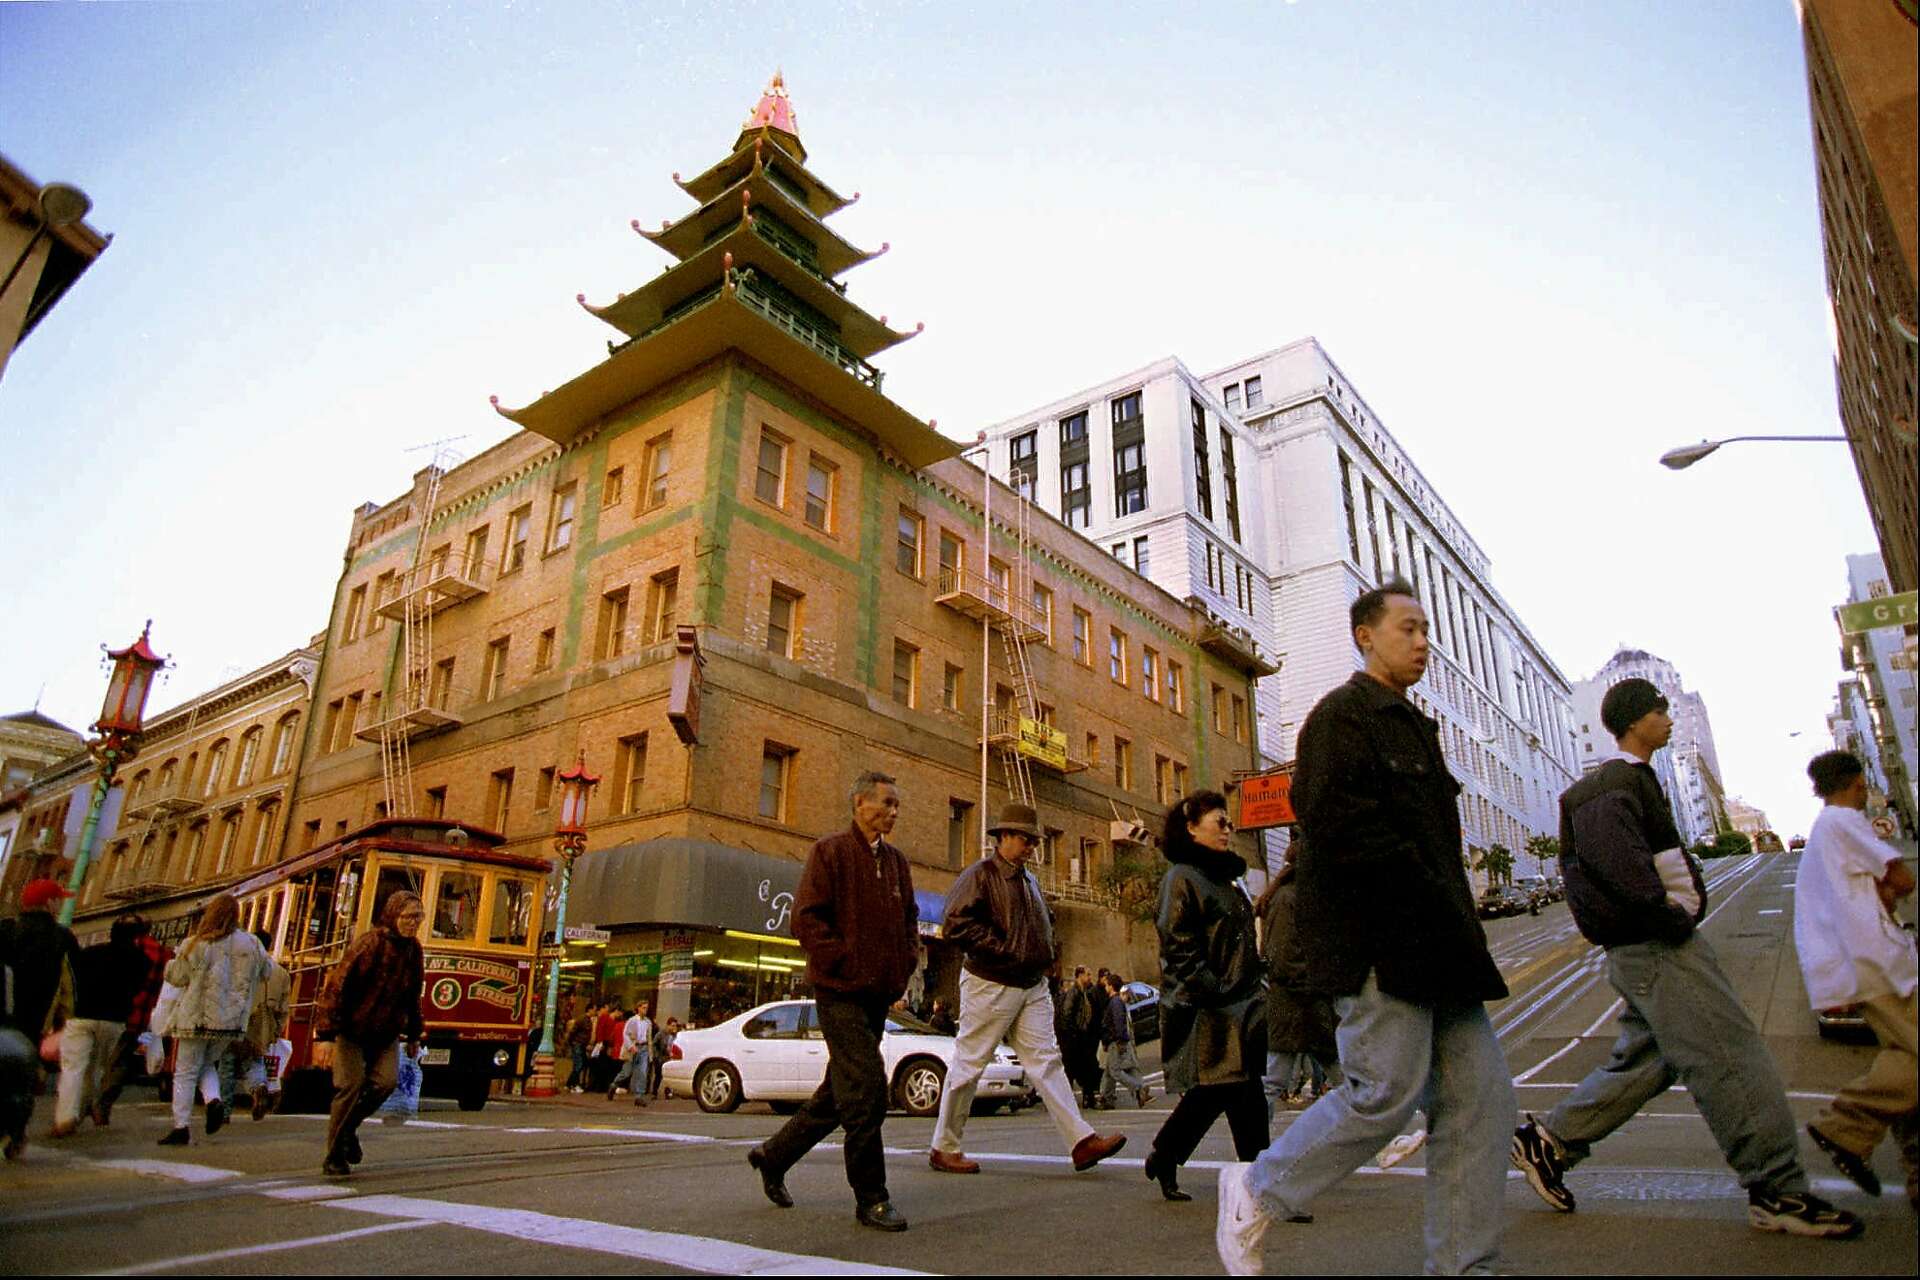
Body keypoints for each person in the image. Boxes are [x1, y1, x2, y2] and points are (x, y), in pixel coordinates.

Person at [1216, 582, 1514, 1276]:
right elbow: (1337, 829)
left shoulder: (1416, 726)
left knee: (1480, 1107)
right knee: (1383, 1093)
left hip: (1441, 951)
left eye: (1425, 629)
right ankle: (1258, 1185)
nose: (1422, 642)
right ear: (1364, 635)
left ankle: (1465, 1267)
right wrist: (1417, 893)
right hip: (1382, 944)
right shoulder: (1340, 718)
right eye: (1407, 628)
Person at [1509, 678, 1863, 1239]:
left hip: (1652, 944)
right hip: (1657, 947)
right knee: (1731, 1055)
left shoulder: (1631, 781)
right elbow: (1621, 871)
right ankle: (1778, 1190)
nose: (1668, 717)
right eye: (1658, 709)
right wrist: (1670, 918)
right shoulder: (1607, 787)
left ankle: (1549, 1141)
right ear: (1632, 721)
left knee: (1652, 1058)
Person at [748, 770, 920, 1233]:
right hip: (839, 991)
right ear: (859, 803)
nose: (893, 811)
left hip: (877, 995)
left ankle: (773, 1156)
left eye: (897, 805)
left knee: (836, 1095)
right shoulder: (830, 852)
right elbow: (804, 919)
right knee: (866, 1088)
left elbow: (909, 920)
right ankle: (872, 1198)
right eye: (886, 802)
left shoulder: (898, 862)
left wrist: (904, 964)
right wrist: (842, 959)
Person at [930, 801, 1126, 1178]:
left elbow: (1041, 924)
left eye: (1032, 840)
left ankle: (1081, 1141)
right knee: (969, 1064)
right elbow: (955, 924)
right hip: (991, 982)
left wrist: (1047, 956)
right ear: (1003, 837)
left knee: (1048, 1062)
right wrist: (1005, 949)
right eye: (1024, 839)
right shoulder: (981, 875)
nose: (1031, 846)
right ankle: (944, 1146)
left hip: (1030, 984)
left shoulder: (1029, 880)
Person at [1793, 750, 1917, 1208]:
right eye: (1863, 783)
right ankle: (1843, 1124)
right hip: (1875, 960)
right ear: (1857, 783)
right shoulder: (1843, 822)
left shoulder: (1825, 829)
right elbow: (1901, 877)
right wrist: (1886, 892)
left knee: (1907, 1058)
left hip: (1864, 960)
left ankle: (1892, 1154)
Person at [1145, 792, 1266, 1204]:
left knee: (1230, 1092)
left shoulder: (1225, 881)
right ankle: (1261, 1182)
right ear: (1191, 827)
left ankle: (1167, 1155)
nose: (1228, 829)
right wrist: (1213, 989)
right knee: (1234, 1091)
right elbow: (1176, 942)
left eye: (1229, 822)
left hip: (1241, 1004)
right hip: (1210, 1008)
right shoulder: (1182, 877)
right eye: (1220, 821)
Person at [313, 889, 425, 1176]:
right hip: (353, 1029)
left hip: (386, 1032)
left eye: (418, 917)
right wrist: (325, 1036)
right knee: (350, 1086)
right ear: (393, 915)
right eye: (409, 916)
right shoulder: (370, 944)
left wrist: (414, 1035)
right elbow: (337, 987)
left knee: (385, 1083)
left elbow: (413, 995)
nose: (414, 923)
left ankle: (348, 1129)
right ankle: (334, 1155)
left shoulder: (414, 951)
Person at [158, 894, 268, 1147]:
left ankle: (182, 1126)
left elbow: (177, 977)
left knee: (185, 1072)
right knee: (208, 1063)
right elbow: (266, 971)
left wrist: (173, 962)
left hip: (195, 1017)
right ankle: (212, 1100)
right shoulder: (251, 943)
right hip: (229, 1022)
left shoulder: (196, 943)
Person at [1254, 845, 1340, 1118]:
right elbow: (1283, 958)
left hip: (1306, 1005)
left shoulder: (1297, 897)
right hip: (1297, 1005)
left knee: (1347, 1081)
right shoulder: (1287, 898)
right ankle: (1252, 1149)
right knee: (1273, 1081)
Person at [1, 879, 81, 1156]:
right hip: (33, 1027)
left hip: (3, 1017)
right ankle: (14, 1135)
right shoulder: (62, 938)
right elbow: (71, 987)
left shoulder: (4, 929)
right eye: (59, 900)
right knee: (20, 1085)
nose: (61, 905)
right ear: (50, 903)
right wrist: (64, 1025)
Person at [51, 917, 149, 1138]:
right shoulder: (141, 961)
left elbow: (72, 980)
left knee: (73, 1067)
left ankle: (66, 1116)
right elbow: (137, 989)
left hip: (82, 1015)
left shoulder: (89, 953)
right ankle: (84, 1107)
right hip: (113, 1020)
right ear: (137, 936)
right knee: (96, 1069)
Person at [93, 916, 170, 1126]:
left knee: (95, 1059)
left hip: (106, 1013)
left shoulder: (111, 950)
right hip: (138, 1017)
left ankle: (84, 1102)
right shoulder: (162, 954)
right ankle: (103, 1105)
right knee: (119, 1063)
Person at [240, 930, 291, 1121]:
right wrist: (276, 1030)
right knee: (256, 1059)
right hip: (264, 1024)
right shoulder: (281, 973)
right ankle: (259, 1087)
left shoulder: (241, 966)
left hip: (239, 1020)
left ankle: (222, 1107)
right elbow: (283, 1008)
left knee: (228, 1064)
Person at [1096, 972, 1152, 1111]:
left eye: (1107, 985)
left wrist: (1119, 1039)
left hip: (1115, 1041)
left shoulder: (1115, 1002)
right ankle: (1106, 1099)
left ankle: (1139, 1088)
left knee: (1115, 1071)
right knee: (1109, 1071)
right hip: (1113, 1041)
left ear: (1111, 986)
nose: (1105, 987)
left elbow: (1118, 1023)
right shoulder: (1116, 1001)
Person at [1057, 967, 1102, 1108]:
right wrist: (1074, 1034)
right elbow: (1067, 1014)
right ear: (1080, 975)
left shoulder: (1083, 993)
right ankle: (1069, 1101)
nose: (1090, 978)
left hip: (1080, 1038)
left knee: (1085, 1069)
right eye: (1088, 975)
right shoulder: (1074, 993)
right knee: (1071, 1070)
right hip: (1073, 1040)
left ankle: (1087, 1098)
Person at [608, 1001, 652, 1105]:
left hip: (643, 1048)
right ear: (638, 1008)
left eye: (646, 1008)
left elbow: (649, 1037)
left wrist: (650, 1053)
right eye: (643, 1008)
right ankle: (614, 1085)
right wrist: (630, 1046)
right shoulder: (632, 1021)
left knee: (642, 1072)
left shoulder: (648, 1022)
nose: (645, 1010)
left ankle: (639, 1096)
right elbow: (625, 1034)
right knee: (626, 1072)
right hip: (633, 1048)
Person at [564, 1001, 593, 1092]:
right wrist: (571, 1042)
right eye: (594, 1010)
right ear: (590, 1009)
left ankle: (570, 1084)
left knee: (579, 1064)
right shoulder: (582, 1019)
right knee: (579, 1064)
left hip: (581, 1045)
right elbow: (573, 1031)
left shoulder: (588, 1020)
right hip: (578, 1044)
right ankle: (574, 1084)